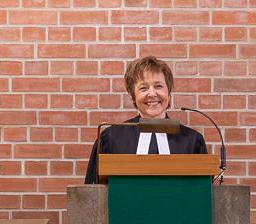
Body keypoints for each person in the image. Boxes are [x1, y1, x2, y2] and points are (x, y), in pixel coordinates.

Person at [84, 56, 208, 184]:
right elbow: (91, 193)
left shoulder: (193, 140)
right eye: (143, 88)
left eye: (158, 86)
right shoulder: (110, 138)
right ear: (133, 96)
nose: (152, 94)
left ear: (169, 93)